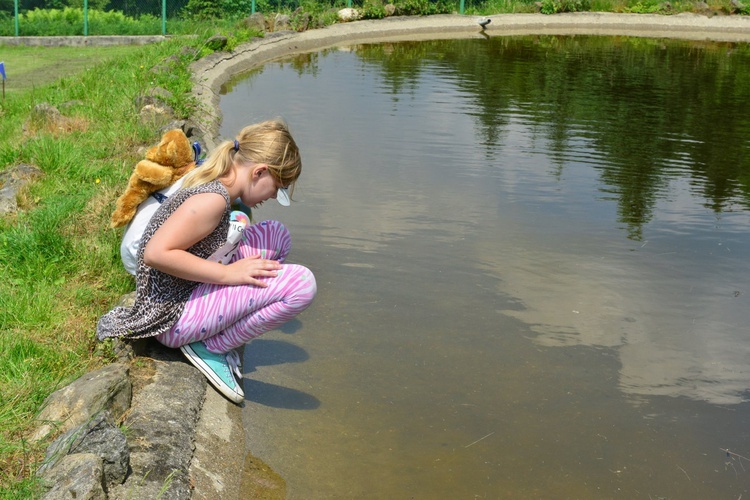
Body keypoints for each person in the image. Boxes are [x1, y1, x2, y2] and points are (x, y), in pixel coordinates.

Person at [97, 119, 317, 404]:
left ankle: (215, 324)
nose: (275, 196)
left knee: (276, 235)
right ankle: (211, 347)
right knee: (302, 284)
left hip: (184, 291)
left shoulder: (220, 187)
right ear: (260, 172)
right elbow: (155, 253)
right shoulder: (213, 199)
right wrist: (230, 275)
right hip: (170, 315)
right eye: (278, 187)